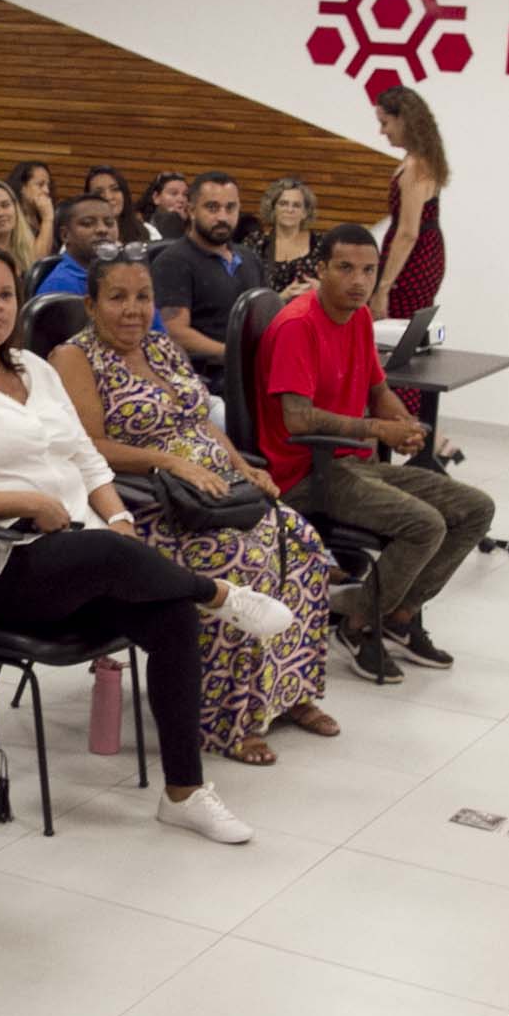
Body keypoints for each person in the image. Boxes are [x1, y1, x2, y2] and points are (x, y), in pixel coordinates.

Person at [0, 245, 300, 845]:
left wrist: (116, 516)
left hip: (76, 547)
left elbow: (85, 455)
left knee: (169, 613)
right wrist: (27, 503)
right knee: (109, 553)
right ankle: (220, 594)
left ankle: (184, 792)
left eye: (6, 294)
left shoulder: (35, 368)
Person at [51, 252, 336, 759]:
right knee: (242, 561)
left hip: (216, 489)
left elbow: (199, 421)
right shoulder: (74, 357)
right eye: (117, 297)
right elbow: (87, 444)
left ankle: (287, 693)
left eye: (143, 297)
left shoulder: (160, 347)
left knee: (303, 544)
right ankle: (229, 720)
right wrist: (169, 462)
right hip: (149, 505)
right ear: (91, 305)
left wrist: (242, 466)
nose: (133, 310)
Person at [255, 224, 493, 682]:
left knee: (475, 509)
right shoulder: (297, 326)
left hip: (348, 465)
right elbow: (298, 420)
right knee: (425, 524)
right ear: (320, 269)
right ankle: (360, 622)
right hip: (303, 474)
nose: (359, 281)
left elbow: (378, 389)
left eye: (368, 270)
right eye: (345, 268)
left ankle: (399, 616)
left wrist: (402, 425)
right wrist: (374, 428)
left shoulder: (360, 317)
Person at [376, 84, 449, 423]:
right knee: (407, 340)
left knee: (401, 346)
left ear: (403, 120)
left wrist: (384, 285)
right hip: (422, 256)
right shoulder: (421, 161)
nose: (382, 131)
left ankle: (405, 422)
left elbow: (407, 232)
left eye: (385, 122)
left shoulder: (417, 166)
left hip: (413, 262)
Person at [151, 171, 260, 374]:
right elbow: (175, 332)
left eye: (230, 208)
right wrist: (235, 356)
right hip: (208, 378)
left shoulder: (249, 258)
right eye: (212, 207)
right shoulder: (173, 262)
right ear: (191, 211)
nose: (222, 217)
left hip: (255, 370)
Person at [37, 194, 158, 325]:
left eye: (109, 223)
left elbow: (156, 329)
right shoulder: (59, 285)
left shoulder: (128, 274)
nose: (102, 230)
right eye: (88, 223)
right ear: (65, 235)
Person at [256, 177, 320, 298]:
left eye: (296, 205)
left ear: (305, 213)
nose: (289, 210)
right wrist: (282, 297)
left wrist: (321, 289)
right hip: (270, 314)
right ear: (273, 209)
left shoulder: (321, 244)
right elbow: (247, 294)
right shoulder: (257, 243)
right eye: (283, 204)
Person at [87, 164, 157, 243]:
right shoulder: (83, 238)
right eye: (99, 192)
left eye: (115, 189)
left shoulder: (148, 232)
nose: (108, 197)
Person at [5, 161, 57, 261]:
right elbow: (36, 262)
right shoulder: (12, 219)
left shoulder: (42, 214)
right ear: (22, 187)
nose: (47, 191)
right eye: (40, 185)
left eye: (48, 185)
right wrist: (47, 219)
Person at [140, 171, 191, 240]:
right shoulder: (143, 228)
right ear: (156, 197)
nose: (181, 199)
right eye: (173, 193)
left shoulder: (193, 224)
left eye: (185, 194)